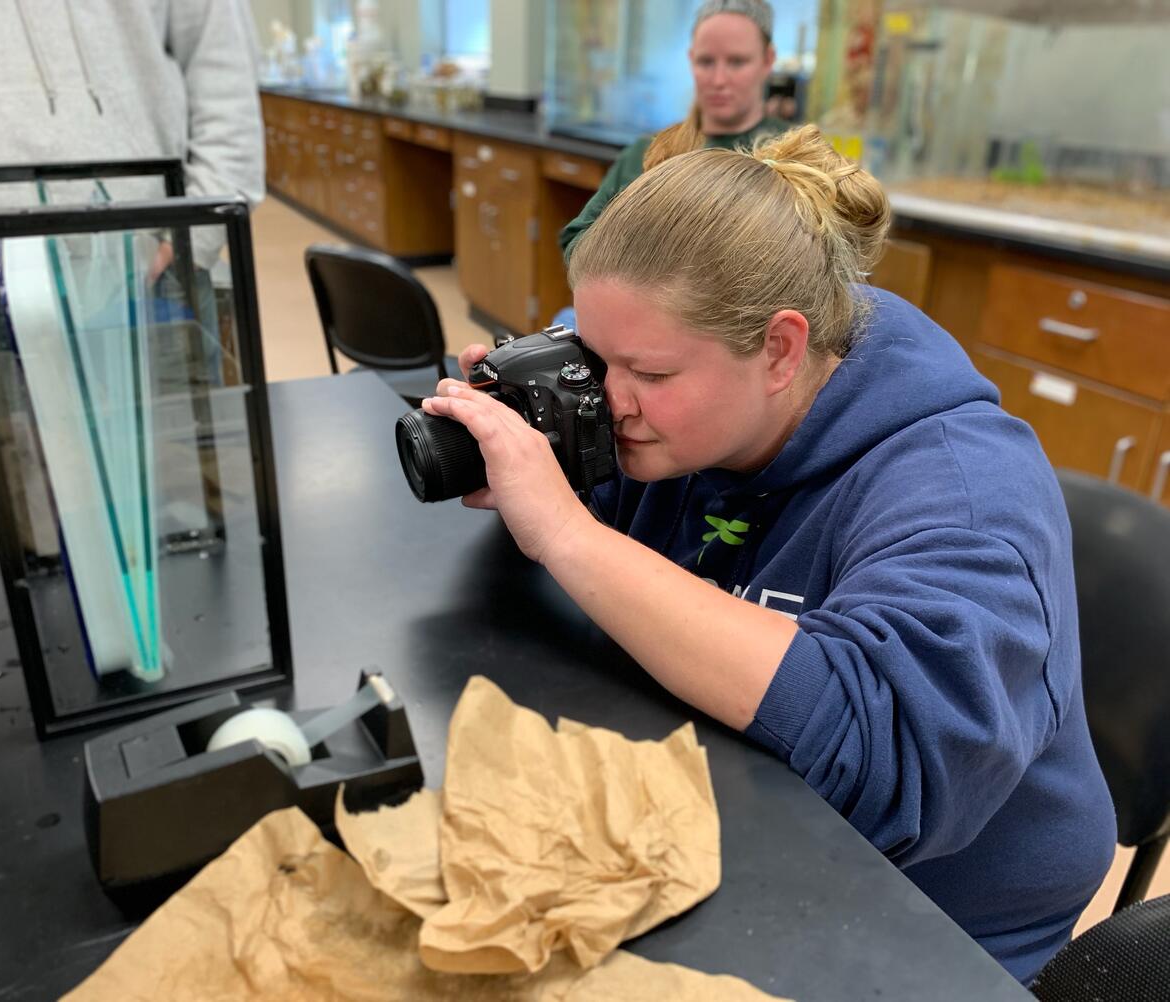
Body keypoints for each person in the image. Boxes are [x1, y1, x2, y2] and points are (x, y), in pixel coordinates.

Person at [422, 125, 1116, 985]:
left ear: (782, 349)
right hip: (732, 819)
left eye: (648, 372)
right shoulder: (679, 411)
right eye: (592, 358)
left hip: (932, 913)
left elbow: (886, 763)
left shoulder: (966, 492)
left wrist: (567, 532)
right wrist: (549, 444)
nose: (611, 396)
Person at [0, 0, 264, 294]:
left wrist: (200, 231)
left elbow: (221, 60)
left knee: (192, 428)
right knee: (11, 432)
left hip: (163, 246)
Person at [559, 0, 790, 261]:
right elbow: (577, 240)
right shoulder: (648, 155)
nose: (719, 80)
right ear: (691, 60)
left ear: (768, 60)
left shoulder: (794, 155)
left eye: (737, 62)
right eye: (706, 62)